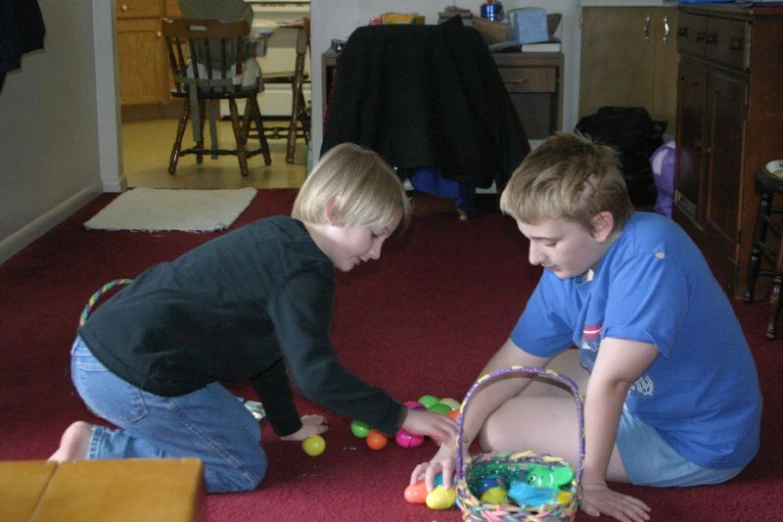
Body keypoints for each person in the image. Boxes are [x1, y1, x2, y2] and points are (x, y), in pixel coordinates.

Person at [50, 143, 457, 494]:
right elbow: (315, 375)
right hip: (128, 375)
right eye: (374, 235)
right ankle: (98, 450)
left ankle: (135, 434)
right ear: (334, 211)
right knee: (240, 466)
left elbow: (266, 348)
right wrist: (400, 416)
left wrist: (285, 424)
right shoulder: (307, 275)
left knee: (244, 430)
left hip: (110, 349)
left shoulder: (280, 235)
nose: (376, 254)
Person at [410, 132, 762, 522]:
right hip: (643, 390)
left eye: (547, 241)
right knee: (532, 372)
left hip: (691, 438)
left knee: (499, 428)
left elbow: (612, 382)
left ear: (599, 225)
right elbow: (512, 361)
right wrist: (454, 442)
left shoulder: (652, 254)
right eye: (528, 239)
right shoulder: (569, 266)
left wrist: (592, 482)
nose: (532, 257)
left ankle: (593, 449)